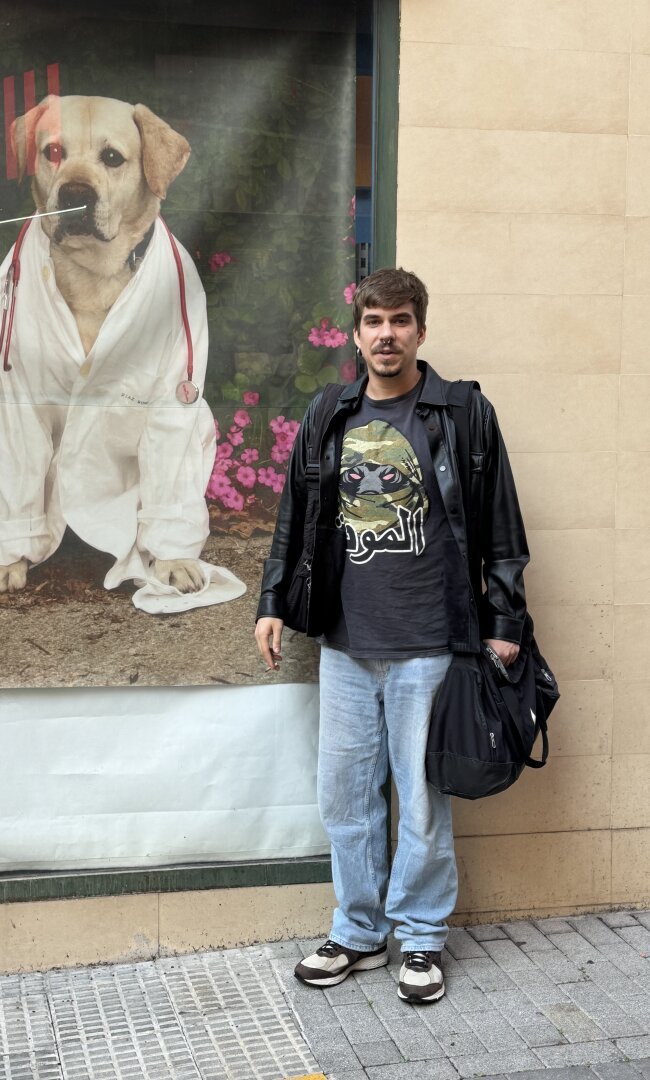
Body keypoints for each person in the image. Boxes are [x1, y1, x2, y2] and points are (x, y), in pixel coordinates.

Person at [254, 267, 528, 1004]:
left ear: (420, 331)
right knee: (345, 797)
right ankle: (358, 931)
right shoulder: (329, 414)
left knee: (423, 799)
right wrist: (272, 599)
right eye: (373, 320)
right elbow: (293, 519)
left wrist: (505, 624)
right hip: (345, 643)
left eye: (400, 321)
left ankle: (422, 938)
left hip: (433, 643)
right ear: (356, 332)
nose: (386, 334)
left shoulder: (461, 414)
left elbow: (502, 524)